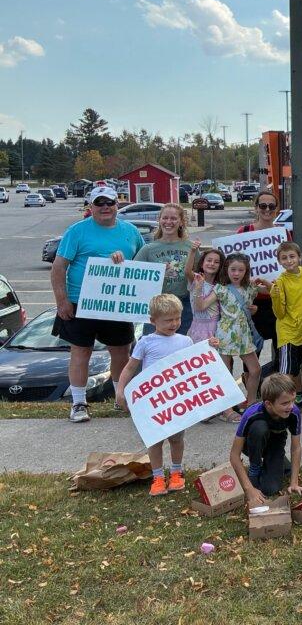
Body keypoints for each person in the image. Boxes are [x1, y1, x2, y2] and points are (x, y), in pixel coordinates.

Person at [50, 185, 145, 423]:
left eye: (110, 203)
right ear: (91, 207)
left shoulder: (131, 232)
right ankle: (79, 403)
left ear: (117, 205)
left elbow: (142, 265)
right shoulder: (77, 231)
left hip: (117, 304)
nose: (105, 207)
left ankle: (120, 399)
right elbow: (59, 267)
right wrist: (62, 301)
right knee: (81, 352)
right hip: (81, 301)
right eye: (99, 203)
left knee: (121, 352)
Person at [114, 294, 194, 496]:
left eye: (177, 318)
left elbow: (197, 365)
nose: (174, 323)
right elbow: (130, 368)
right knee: (154, 441)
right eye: (168, 320)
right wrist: (120, 390)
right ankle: (158, 477)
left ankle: (176, 472)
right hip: (153, 402)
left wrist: (210, 346)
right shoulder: (146, 342)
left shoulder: (186, 341)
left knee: (176, 438)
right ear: (153, 321)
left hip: (176, 401)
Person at [194, 253, 264, 406]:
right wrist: (199, 289)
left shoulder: (250, 288)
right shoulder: (221, 289)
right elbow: (201, 306)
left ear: (246, 271)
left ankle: (250, 402)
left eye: (240, 270)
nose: (236, 273)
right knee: (224, 373)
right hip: (226, 334)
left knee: (255, 370)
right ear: (226, 270)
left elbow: (269, 292)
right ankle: (227, 406)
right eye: (233, 270)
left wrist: (255, 307)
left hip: (244, 334)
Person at [230, 373, 302, 504]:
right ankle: (255, 467)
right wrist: (248, 488)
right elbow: (234, 455)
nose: (291, 406)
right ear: (268, 404)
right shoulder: (251, 414)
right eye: (285, 403)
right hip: (252, 443)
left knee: (269, 489)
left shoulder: (294, 412)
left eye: (293, 400)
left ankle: (279, 462)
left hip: (275, 444)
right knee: (259, 428)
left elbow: (296, 448)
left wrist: (294, 483)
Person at [236, 190, 288, 369]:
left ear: (276, 209)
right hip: (252, 303)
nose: (267, 209)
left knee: (281, 355)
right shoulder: (242, 232)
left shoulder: (284, 234)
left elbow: (292, 265)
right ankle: (254, 394)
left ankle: (277, 394)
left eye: (271, 206)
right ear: (256, 208)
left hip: (278, 302)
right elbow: (233, 269)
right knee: (251, 357)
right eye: (263, 205)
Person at [133, 204, 193, 335]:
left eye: (173, 218)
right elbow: (132, 275)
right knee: (154, 349)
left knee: (182, 349)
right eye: (165, 218)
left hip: (184, 306)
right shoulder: (148, 249)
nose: (168, 222)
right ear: (159, 220)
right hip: (157, 307)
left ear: (181, 222)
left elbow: (202, 276)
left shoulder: (191, 248)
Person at [269, 241, 302, 397]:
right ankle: (280, 402)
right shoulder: (281, 282)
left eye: (292, 256)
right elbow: (279, 313)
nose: (288, 261)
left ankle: (300, 396)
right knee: (286, 372)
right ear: (279, 262)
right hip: (288, 332)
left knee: (296, 367)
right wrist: (274, 295)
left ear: (299, 257)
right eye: (284, 258)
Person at [184, 243, 225, 344]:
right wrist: (193, 251)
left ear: (220, 267)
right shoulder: (196, 278)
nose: (212, 264)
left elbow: (201, 307)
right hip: (196, 326)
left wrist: (198, 288)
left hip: (213, 327)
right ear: (202, 263)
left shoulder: (219, 287)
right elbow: (187, 271)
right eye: (209, 260)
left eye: (216, 262)